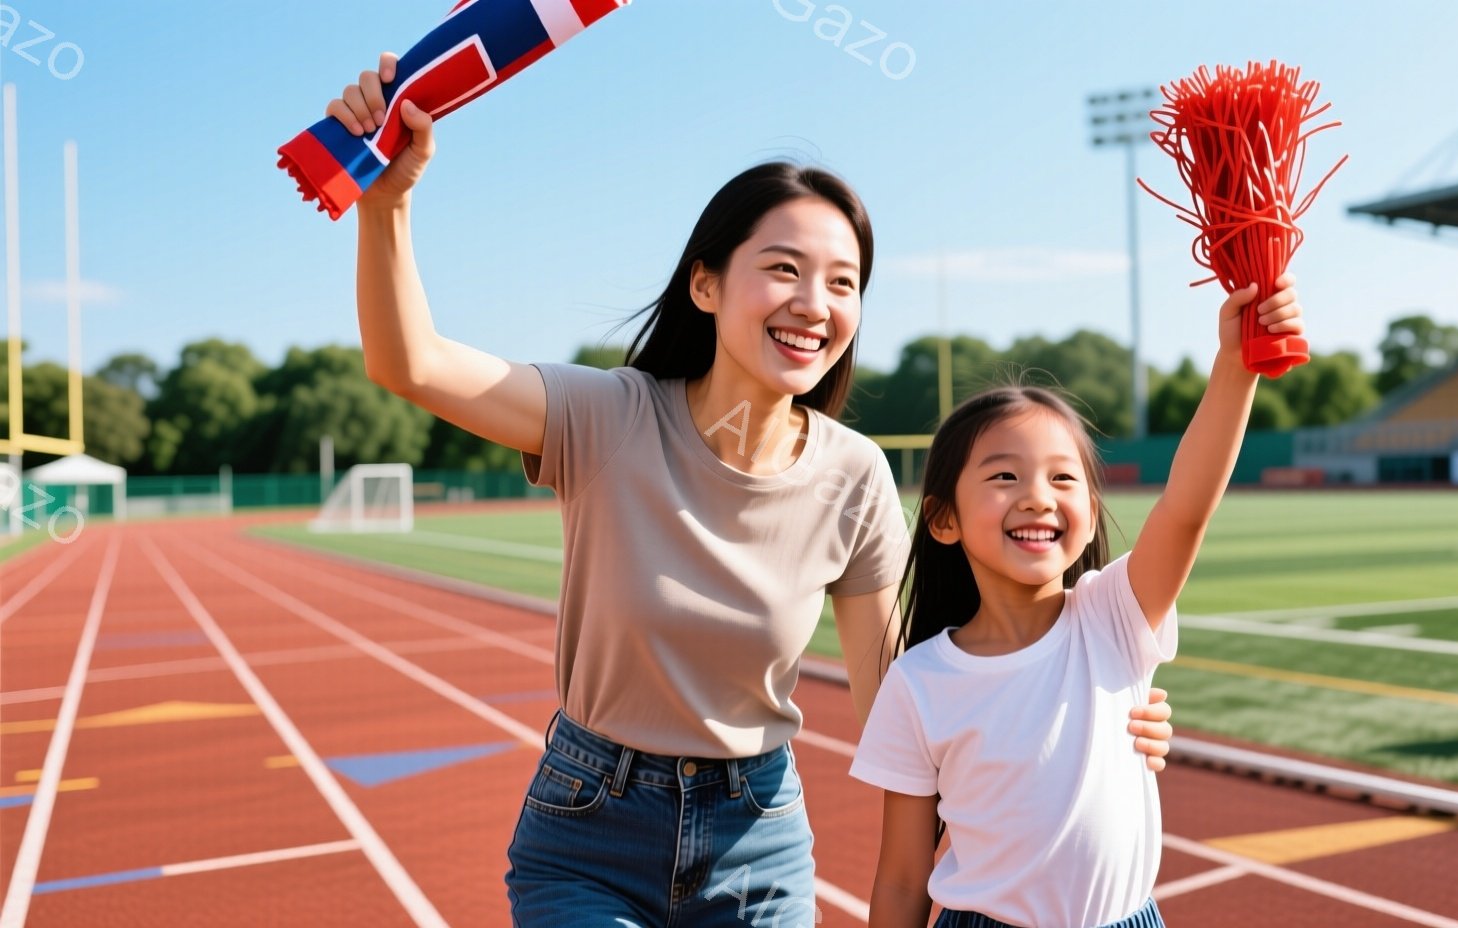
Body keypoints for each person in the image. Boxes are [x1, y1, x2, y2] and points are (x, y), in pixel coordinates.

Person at [322, 52, 1176, 927]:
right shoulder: (604, 415)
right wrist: (387, 199)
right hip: (591, 827)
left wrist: (1099, 710)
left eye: (843, 282)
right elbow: (410, 362)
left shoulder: (853, 476)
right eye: (783, 268)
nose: (815, 302)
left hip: (756, 838)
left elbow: (902, 698)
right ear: (705, 283)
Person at [852, 278, 1303, 928]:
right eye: (1005, 475)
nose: (1037, 495)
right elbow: (900, 878)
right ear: (944, 519)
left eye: (1063, 478)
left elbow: (1185, 509)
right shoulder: (919, 682)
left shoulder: (1114, 616)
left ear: (1091, 517)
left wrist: (1236, 366)